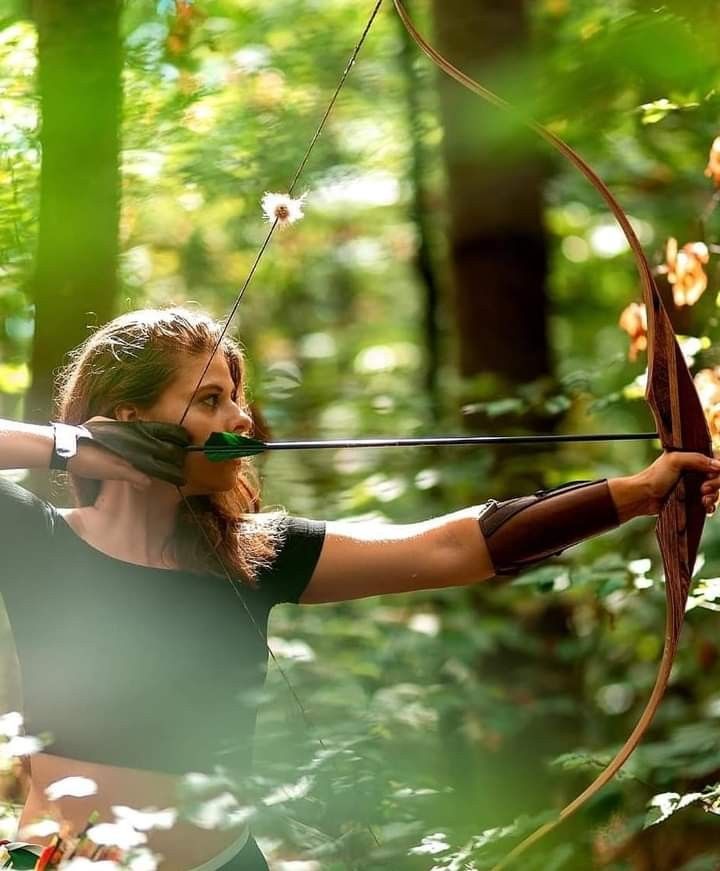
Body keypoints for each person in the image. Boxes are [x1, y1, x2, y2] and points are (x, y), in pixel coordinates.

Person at [0, 307, 718, 871]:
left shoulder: (254, 554)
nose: (241, 419)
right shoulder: (38, 540)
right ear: (130, 420)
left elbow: (445, 549)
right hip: (62, 864)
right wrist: (71, 445)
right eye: (211, 399)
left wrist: (635, 494)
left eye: (238, 397)